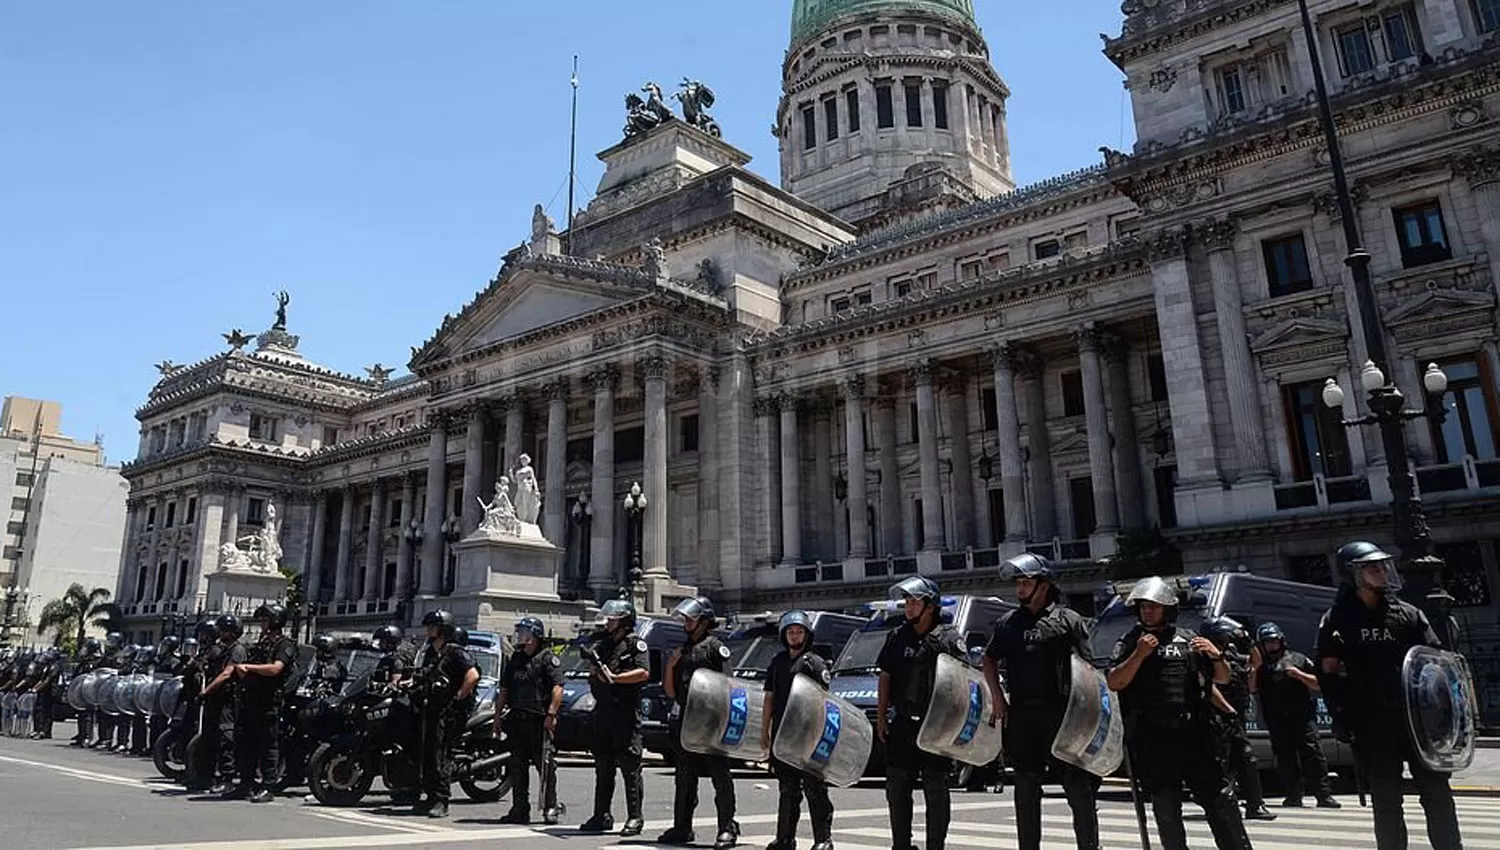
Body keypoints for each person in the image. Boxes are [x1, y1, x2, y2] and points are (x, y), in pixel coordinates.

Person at [1316, 541, 1463, 850]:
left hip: (1419, 721)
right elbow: (1329, 674)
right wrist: (1341, 716)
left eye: (1383, 566)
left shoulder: (1408, 614)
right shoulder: (1337, 619)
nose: (1382, 572)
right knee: (1386, 799)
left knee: (1437, 792)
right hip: (1373, 724)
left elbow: (1435, 662)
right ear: (1352, 574)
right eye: (1372, 567)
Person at [1107, 577, 1253, 850]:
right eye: (1143, 607)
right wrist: (1139, 655)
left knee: (1222, 801)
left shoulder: (1189, 640)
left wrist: (1216, 656)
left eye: (1154, 606)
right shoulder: (1130, 642)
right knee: (1167, 809)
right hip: (1156, 738)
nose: (1148, 612)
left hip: (1196, 735)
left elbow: (1219, 680)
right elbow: (1115, 682)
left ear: (1168, 608)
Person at [980, 553, 1101, 850]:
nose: (1020, 589)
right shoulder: (1008, 624)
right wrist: (997, 697)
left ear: (1044, 585)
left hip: (1062, 716)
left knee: (1078, 788)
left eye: (1026, 583)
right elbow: (989, 659)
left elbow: (1089, 669)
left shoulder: (1068, 621)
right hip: (1023, 717)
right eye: (1018, 583)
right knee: (1025, 789)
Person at [877, 576, 966, 850]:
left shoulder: (949, 638)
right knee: (897, 788)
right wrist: (882, 716)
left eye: (914, 601)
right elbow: (885, 676)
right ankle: (901, 844)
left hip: (936, 726)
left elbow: (964, 683)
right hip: (904, 723)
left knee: (936, 789)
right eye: (906, 602)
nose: (908, 607)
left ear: (930, 606)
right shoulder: (897, 636)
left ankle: (935, 845)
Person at [660, 596, 737, 850]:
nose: (687, 623)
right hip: (686, 719)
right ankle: (682, 826)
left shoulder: (716, 647)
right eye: (686, 619)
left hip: (711, 720)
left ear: (704, 621)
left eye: (691, 619)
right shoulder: (681, 650)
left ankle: (726, 828)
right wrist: (671, 666)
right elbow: (671, 692)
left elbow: (728, 686)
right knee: (684, 776)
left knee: (720, 776)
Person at [761, 611, 834, 850]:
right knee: (787, 789)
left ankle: (823, 839)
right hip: (784, 735)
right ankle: (785, 838)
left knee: (815, 788)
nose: (795, 635)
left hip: (809, 735)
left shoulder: (815, 663)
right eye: (791, 632)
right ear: (784, 635)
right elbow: (769, 698)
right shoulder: (777, 662)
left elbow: (824, 701)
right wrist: (765, 731)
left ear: (807, 634)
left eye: (799, 631)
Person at [579, 598, 649, 837]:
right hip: (604, 712)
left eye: (613, 619)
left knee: (630, 767)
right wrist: (596, 672)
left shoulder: (635, 645)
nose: (608, 622)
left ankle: (635, 818)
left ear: (624, 621)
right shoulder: (605, 645)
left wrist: (616, 678)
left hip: (626, 714)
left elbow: (643, 673)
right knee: (603, 766)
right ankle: (602, 815)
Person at [1254, 621, 1338, 809]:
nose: (1271, 646)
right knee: (1285, 759)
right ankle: (1293, 795)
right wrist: (1254, 667)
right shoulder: (1260, 666)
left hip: (1302, 717)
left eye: (1274, 642)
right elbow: (1252, 689)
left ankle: (1323, 795)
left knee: (1313, 756)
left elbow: (1318, 684)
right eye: (1267, 643)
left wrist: (1299, 675)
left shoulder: (1299, 659)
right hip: (1276, 719)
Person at [1201, 616, 1276, 822]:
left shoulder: (1230, 653)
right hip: (1217, 716)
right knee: (1223, 762)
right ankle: (1222, 804)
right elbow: (1208, 687)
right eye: (1222, 637)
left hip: (1235, 717)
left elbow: (1255, 663)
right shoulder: (1204, 657)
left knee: (1246, 759)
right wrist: (1228, 710)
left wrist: (1248, 641)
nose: (1227, 641)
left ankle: (1255, 804)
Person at [413, 609, 479, 819]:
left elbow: (472, 676)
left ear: (443, 630)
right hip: (432, 709)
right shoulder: (432, 652)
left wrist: (458, 698)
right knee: (429, 754)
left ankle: (442, 800)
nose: (429, 629)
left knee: (442, 755)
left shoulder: (456, 652)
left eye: (433, 626)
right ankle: (430, 797)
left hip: (449, 713)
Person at [498, 617, 564, 825]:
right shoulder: (515, 658)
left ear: (535, 635)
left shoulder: (547, 658)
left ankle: (550, 807)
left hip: (539, 721)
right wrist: (497, 716)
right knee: (517, 765)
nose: (520, 635)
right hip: (518, 719)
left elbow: (557, 687)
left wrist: (551, 714)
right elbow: (505, 690)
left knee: (545, 766)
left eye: (525, 632)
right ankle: (519, 809)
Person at [199, 614, 246, 795]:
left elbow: (227, 673)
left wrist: (207, 690)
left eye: (222, 629)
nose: (219, 632)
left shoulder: (237, 649)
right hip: (215, 698)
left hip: (228, 698)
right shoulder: (219, 649)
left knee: (226, 737)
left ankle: (227, 779)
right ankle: (206, 777)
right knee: (209, 737)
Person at [91, 632, 127, 749]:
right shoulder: (106, 655)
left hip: (117, 690)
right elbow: (98, 667)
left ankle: (121, 742)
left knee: (119, 718)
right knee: (103, 715)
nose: (109, 643)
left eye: (112, 641)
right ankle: (104, 739)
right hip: (105, 689)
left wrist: (115, 672)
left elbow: (123, 670)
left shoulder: (122, 655)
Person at [70, 638, 103, 747]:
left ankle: (87, 737)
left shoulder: (99, 660)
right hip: (81, 691)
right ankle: (81, 735)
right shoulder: (85, 660)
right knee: (81, 714)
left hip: (91, 692)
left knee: (88, 715)